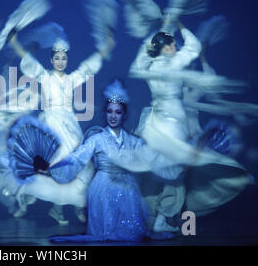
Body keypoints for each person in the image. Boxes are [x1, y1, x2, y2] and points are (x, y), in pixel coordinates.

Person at [19, 80, 182, 241]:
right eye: (109, 111)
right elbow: (77, 159)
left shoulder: (133, 141)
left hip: (128, 189)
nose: (113, 116)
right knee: (106, 235)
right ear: (105, 112)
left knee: (131, 235)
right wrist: (51, 170)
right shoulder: (97, 138)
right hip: (103, 188)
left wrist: (178, 164)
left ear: (123, 115)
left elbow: (153, 157)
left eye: (117, 112)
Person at [130, 17, 251, 231]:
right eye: (173, 44)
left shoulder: (149, 67)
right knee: (173, 172)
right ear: (166, 48)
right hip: (171, 124)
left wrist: (164, 29)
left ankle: (161, 215)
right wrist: (178, 25)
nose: (176, 47)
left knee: (170, 171)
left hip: (159, 124)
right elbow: (193, 46)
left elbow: (140, 59)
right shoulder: (173, 64)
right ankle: (161, 215)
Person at [7, 29, 114, 225]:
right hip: (52, 125)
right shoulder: (45, 77)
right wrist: (14, 42)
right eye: (57, 58)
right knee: (56, 164)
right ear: (51, 60)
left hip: (70, 123)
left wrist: (107, 46)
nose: (61, 61)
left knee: (79, 164)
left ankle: (73, 206)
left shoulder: (72, 79)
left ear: (67, 60)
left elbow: (89, 67)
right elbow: (27, 59)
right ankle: (37, 204)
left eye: (63, 58)